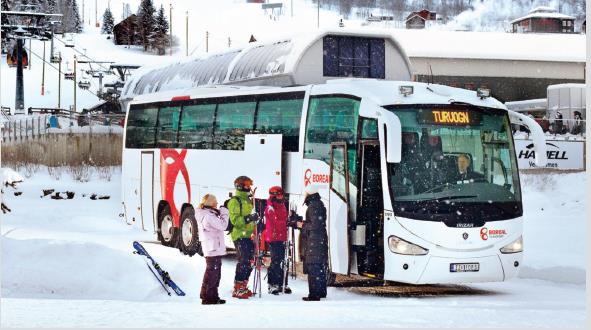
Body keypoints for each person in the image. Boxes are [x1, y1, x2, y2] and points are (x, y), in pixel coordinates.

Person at [195, 194, 229, 305]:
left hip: (212, 246)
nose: (217, 204)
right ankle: (209, 298)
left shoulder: (206, 213)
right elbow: (223, 225)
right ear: (211, 203)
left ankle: (210, 295)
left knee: (212, 272)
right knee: (213, 274)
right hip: (213, 247)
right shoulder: (209, 216)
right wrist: (224, 211)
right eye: (216, 202)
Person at [297, 184, 328, 301]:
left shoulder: (313, 205)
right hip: (319, 240)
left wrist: (302, 225)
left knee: (313, 266)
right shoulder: (318, 204)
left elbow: (315, 224)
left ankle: (314, 295)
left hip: (314, 241)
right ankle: (321, 292)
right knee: (319, 266)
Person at [228, 176, 256, 299]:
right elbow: (235, 221)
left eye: (250, 185)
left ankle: (244, 285)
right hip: (239, 235)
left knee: (250, 261)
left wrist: (255, 219)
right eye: (247, 185)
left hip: (249, 235)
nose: (249, 187)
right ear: (240, 186)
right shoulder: (235, 201)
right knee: (243, 260)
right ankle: (237, 287)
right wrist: (248, 218)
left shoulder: (248, 200)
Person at [263, 186, 292, 295]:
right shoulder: (270, 207)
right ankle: (272, 284)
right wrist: (286, 223)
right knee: (276, 260)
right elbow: (274, 221)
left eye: (282, 194)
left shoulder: (282, 205)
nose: (281, 196)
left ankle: (281, 283)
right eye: (279, 194)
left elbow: (283, 219)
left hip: (282, 236)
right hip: (274, 237)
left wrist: (289, 220)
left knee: (283, 260)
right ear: (274, 195)